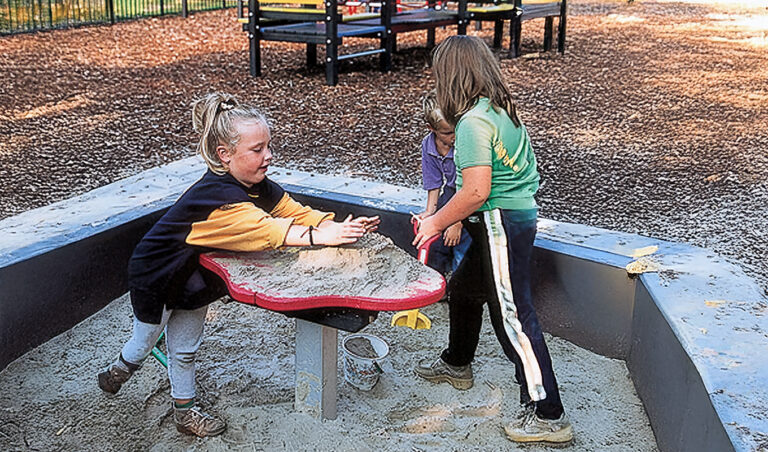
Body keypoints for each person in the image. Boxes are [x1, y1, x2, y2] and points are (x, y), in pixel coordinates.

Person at [97, 93, 379, 438]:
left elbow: (293, 212)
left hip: (193, 278)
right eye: (257, 149)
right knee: (143, 342)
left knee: (184, 350)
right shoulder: (218, 199)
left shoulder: (258, 186)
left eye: (269, 146)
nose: (268, 156)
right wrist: (323, 236)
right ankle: (119, 370)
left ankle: (184, 415)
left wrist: (336, 225)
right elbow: (268, 231)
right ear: (224, 154)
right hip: (156, 276)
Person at [412, 36, 573, 444]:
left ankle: (548, 413)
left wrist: (434, 222)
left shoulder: (471, 123)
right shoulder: (500, 109)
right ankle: (457, 362)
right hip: (510, 216)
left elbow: (475, 191)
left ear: (451, 77)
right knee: (466, 291)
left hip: (500, 220)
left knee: (514, 315)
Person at [419, 91, 471, 278]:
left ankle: (459, 278)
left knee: (463, 240)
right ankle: (437, 277)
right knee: (437, 236)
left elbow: (469, 189)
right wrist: (430, 212)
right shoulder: (428, 145)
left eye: (456, 129)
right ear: (431, 128)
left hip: (470, 192)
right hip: (452, 190)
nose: (454, 137)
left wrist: (456, 222)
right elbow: (433, 181)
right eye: (447, 133)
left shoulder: (464, 146)